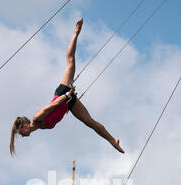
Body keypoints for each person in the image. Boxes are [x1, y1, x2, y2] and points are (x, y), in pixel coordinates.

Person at [10, 18, 125, 155]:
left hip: (63, 94)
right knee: (89, 122)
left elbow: (53, 106)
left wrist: (67, 95)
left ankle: (76, 32)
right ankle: (113, 140)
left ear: (24, 126)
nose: (22, 135)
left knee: (70, 61)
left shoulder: (37, 118)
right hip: (68, 103)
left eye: (20, 132)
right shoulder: (38, 127)